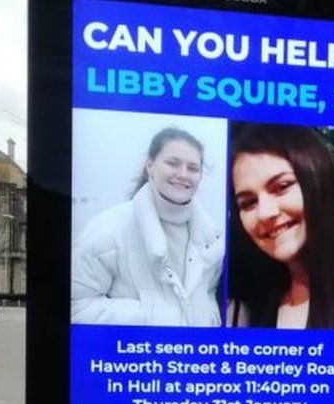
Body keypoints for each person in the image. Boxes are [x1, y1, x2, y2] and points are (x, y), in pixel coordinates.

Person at [71, 127, 224, 326]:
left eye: (193, 168)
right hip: (131, 355)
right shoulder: (107, 230)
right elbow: (77, 308)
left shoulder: (211, 240)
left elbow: (210, 298)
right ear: (150, 165)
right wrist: (154, 317)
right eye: (172, 163)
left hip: (194, 356)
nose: (183, 174)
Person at [226, 123, 334, 329]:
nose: (265, 213)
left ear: (319, 180)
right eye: (248, 203)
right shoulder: (259, 307)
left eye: (281, 187)